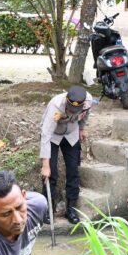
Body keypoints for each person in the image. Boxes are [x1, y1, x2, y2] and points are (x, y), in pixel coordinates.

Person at [39, 85, 92, 225]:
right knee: (52, 173)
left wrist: (81, 129)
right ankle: (48, 208)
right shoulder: (56, 106)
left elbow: (86, 115)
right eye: (69, 109)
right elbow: (46, 134)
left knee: (73, 171)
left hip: (71, 134)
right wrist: (45, 165)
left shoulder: (88, 101)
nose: (71, 111)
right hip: (53, 136)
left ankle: (71, 209)